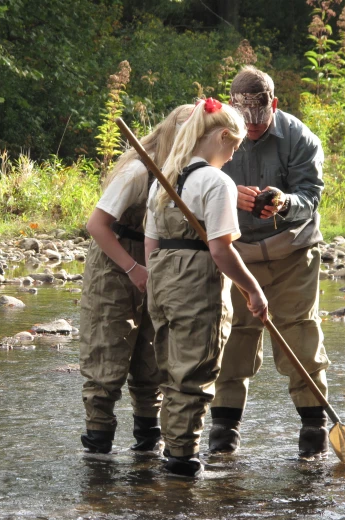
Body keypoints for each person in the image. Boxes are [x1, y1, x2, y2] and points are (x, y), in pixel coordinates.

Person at [207, 66, 331, 460]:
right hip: (236, 254)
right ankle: (224, 438)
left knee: (300, 338)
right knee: (233, 340)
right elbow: (192, 182)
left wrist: (282, 202)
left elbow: (310, 196)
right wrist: (230, 195)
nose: (252, 130)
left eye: (259, 122)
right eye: (246, 123)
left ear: (273, 105)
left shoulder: (301, 139)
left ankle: (313, 435)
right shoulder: (213, 134)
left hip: (292, 253)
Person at [144, 98, 268, 477]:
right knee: (194, 373)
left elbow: (151, 246)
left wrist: (162, 284)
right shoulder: (215, 182)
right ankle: (182, 463)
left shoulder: (164, 181)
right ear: (222, 137)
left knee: (170, 370)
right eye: (233, 147)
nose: (232, 157)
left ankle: (172, 453)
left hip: (162, 282)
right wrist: (252, 289)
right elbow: (220, 249)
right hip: (197, 283)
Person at [80, 104, 193, 455]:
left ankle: (148, 442)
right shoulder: (136, 172)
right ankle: (98, 446)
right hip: (114, 265)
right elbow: (96, 226)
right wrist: (132, 268)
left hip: (155, 263)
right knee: (107, 351)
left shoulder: (185, 172)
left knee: (152, 354)